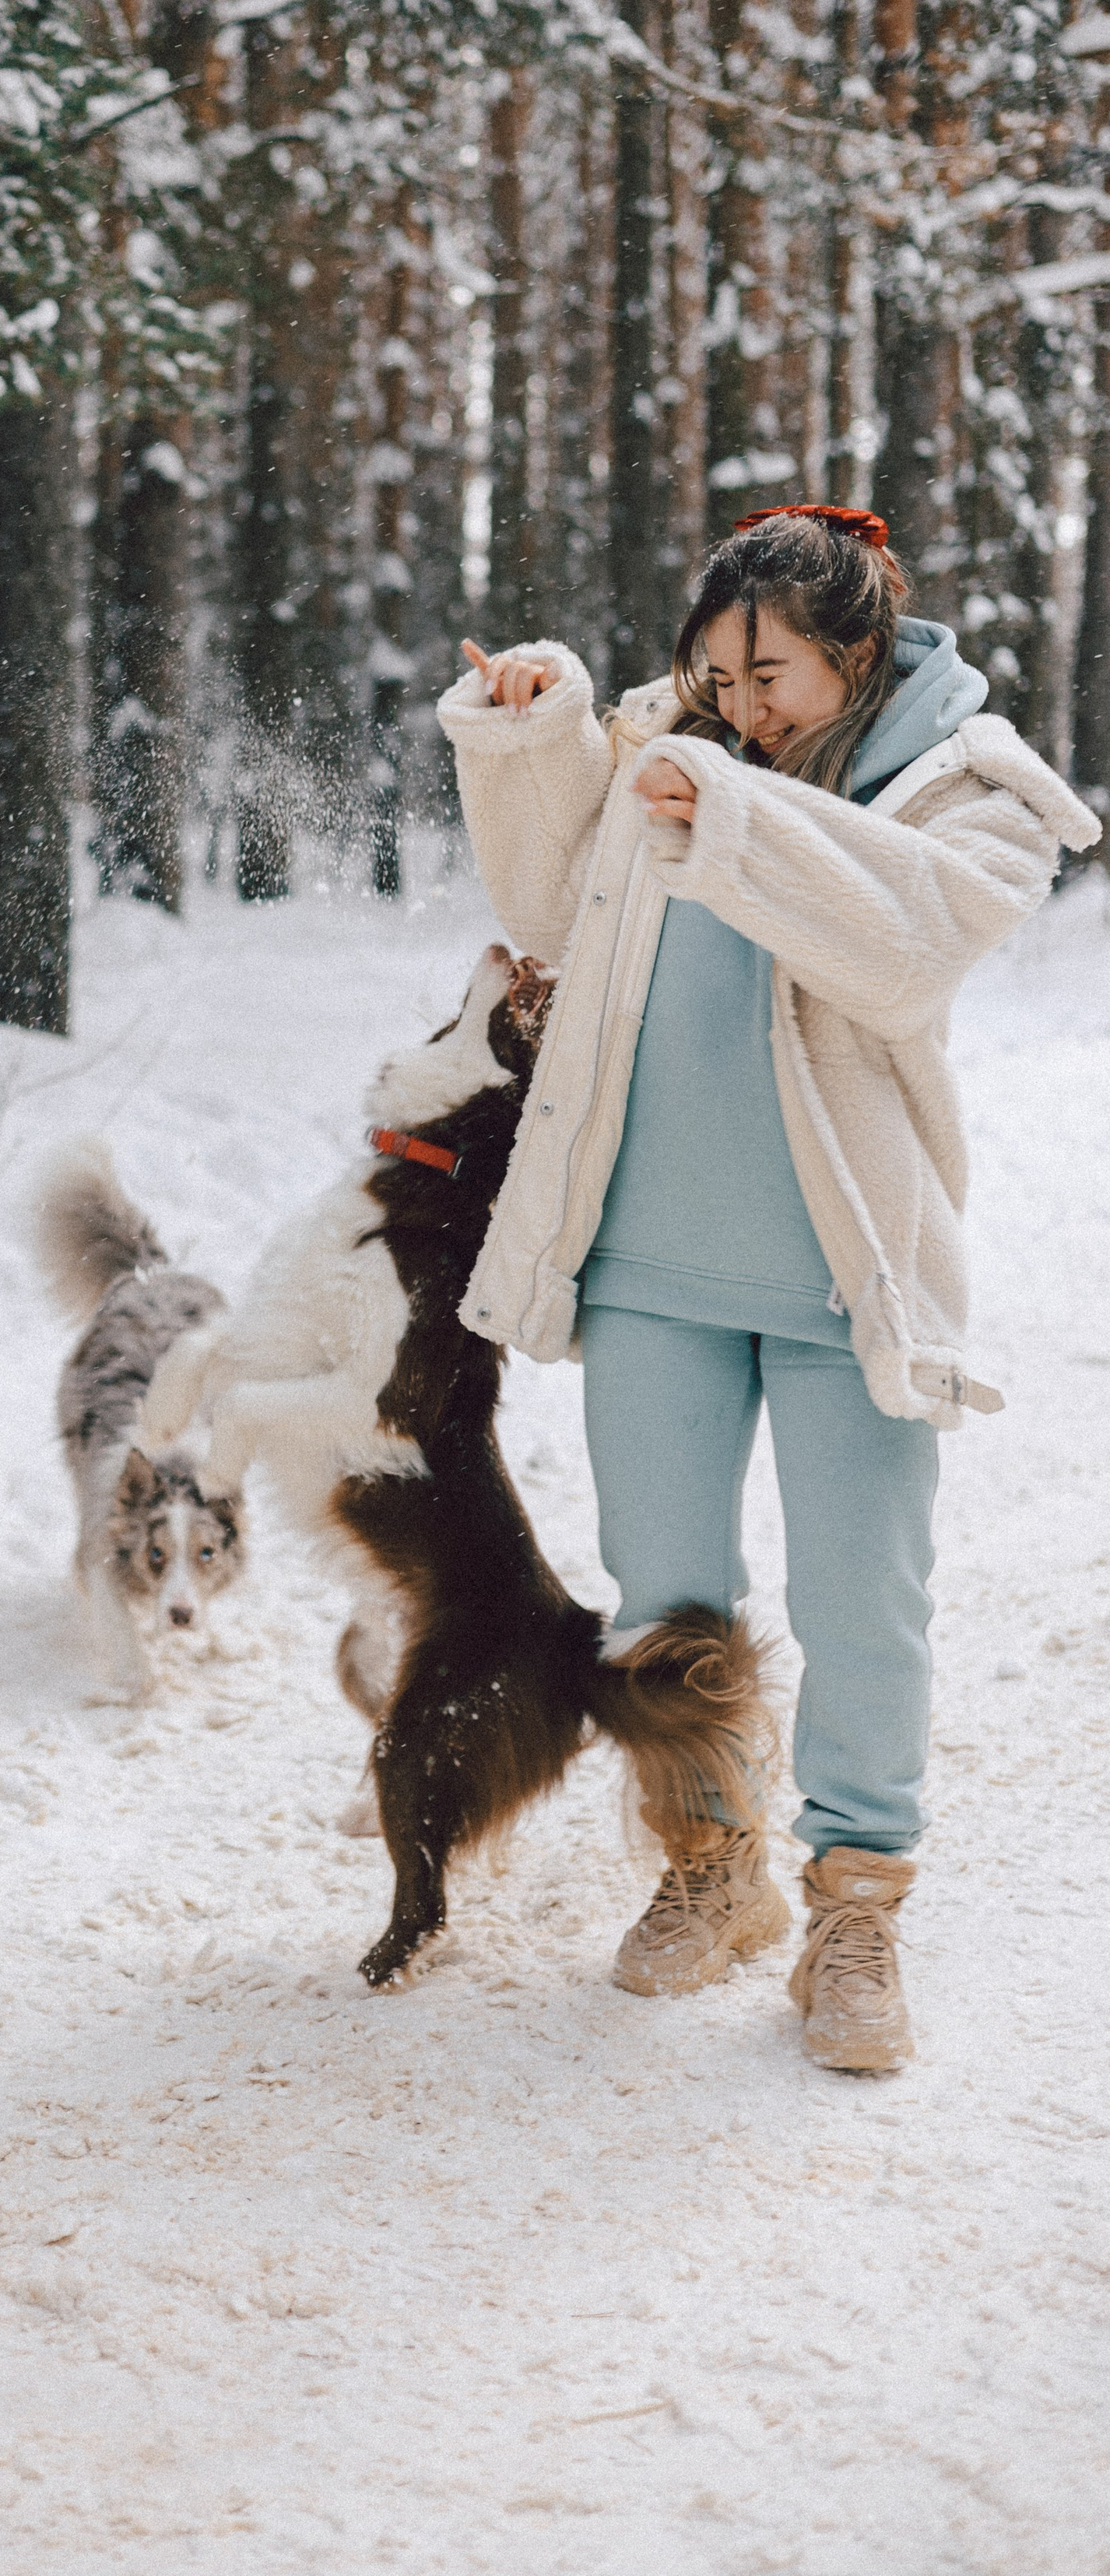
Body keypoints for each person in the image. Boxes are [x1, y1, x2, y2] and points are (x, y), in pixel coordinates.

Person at [438, 504, 1098, 2073]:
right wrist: (535, 743)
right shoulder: (663, 743)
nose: (737, 707)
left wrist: (723, 812)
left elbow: (901, 952)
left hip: (841, 1264)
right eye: (716, 675)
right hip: (651, 1249)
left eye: (773, 679)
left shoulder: (972, 793)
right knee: (663, 1596)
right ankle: (709, 1863)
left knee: (861, 1602)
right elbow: (547, 915)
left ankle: (853, 1907)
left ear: (855, 657)